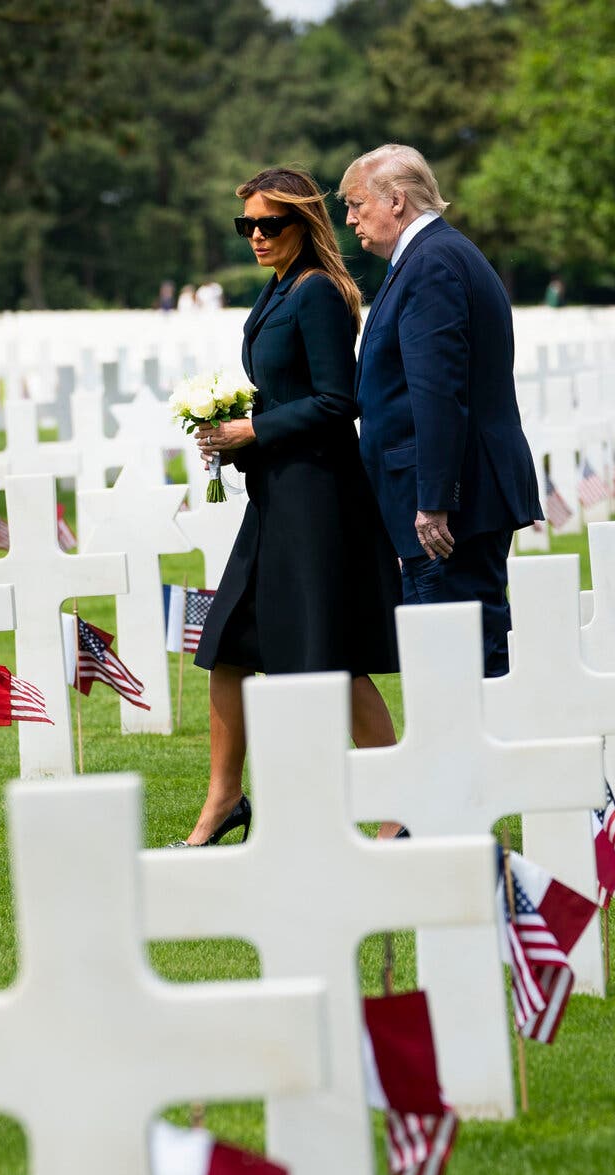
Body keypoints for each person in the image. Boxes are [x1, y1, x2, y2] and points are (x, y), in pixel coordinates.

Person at [179, 165, 405, 848]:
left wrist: (253, 429)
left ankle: (399, 808)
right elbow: (286, 390)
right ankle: (223, 799)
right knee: (227, 644)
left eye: (268, 224)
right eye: (245, 224)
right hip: (277, 491)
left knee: (330, 655)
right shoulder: (277, 289)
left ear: (303, 224)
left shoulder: (318, 294)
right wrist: (232, 427)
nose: (255, 235)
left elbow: (342, 401)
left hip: (318, 497)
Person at [341, 143, 542, 678]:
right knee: (459, 658)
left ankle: (480, 764)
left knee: (458, 666)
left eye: (358, 203)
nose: (349, 218)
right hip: (454, 496)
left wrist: (434, 500)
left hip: (447, 508)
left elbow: (438, 392)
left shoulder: (430, 264)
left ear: (397, 201)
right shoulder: (438, 255)